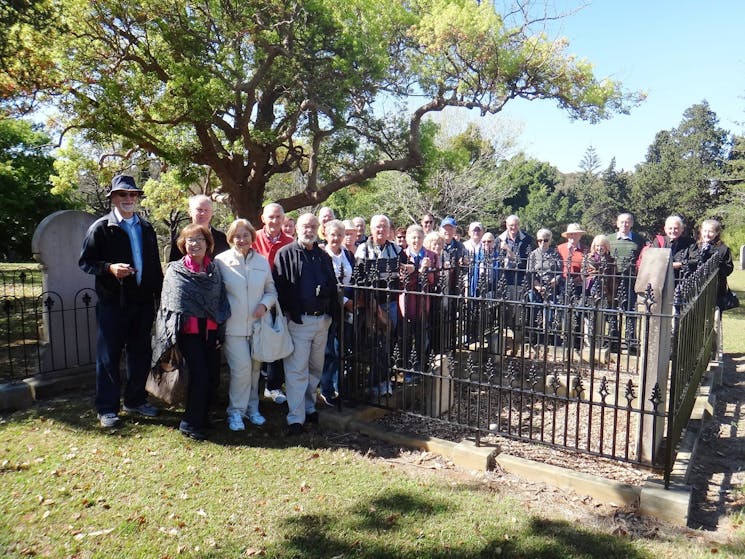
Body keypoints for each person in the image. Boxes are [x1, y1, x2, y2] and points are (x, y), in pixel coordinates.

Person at [79, 175, 163, 428]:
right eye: (122, 195)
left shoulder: (146, 228)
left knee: (140, 354)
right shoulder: (101, 227)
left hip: (142, 303)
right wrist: (110, 268)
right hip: (113, 303)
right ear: (113, 198)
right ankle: (107, 408)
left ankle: (135, 400)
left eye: (132, 195)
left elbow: (154, 266)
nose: (128, 199)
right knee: (109, 357)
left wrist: (159, 297)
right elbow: (86, 262)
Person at [152, 224, 230, 440]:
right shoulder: (176, 270)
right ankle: (189, 423)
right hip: (187, 333)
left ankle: (203, 417)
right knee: (199, 376)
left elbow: (219, 303)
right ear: (183, 245)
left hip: (211, 332)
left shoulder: (214, 271)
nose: (194, 244)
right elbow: (173, 303)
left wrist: (218, 334)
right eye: (190, 240)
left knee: (212, 377)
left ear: (208, 244)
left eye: (199, 240)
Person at [273, 213, 337, 435]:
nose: (308, 230)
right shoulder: (285, 254)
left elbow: (333, 284)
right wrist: (288, 314)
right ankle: (296, 418)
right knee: (296, 371)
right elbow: (279, 288)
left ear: (317, 229)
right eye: (304, 226)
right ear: (296, 229)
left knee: (314, 369)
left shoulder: (322, 256)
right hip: (299, 322)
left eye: (312, 226)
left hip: (321, 321)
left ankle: (309, 407)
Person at [215, 219, 277, 432]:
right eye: (237, 236)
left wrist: (264, 305)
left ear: (252, 237)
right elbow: (216, 295)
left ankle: (253, 409)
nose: (241, 240)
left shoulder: (261, 262)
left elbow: (271, 291)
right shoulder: (220, 261)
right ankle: (236, 413)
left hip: (258, 326)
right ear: (231, 238)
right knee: (241, 370)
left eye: (245, 235)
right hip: (233, 328)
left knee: (254, 371)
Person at [354, 214, 407, 396]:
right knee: (374, 345)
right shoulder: (363, 249)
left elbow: (410, 264)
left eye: (384, 226)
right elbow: (358, 278)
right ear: (371, 229)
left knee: (387, 343)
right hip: (372, 304)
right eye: (377, 226)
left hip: (391, 302)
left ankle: (382, 382)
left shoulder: (395, 249)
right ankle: (377, 383)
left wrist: (411, 268)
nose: (381, 230)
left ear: (389, 229)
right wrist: (372, 303)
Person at [253, 202, 294, 405]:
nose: (274, 221)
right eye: (271, 217)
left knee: (276, 341)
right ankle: (254, 386)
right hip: (254, 300)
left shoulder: (290, 242)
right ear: (263, 218)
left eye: (278, 217)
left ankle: (273, 385)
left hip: (279, 299)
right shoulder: (253, 239)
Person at [320, 219, 355, 406]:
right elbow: (326, 285)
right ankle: (326, 389)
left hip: (347, 308)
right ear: (325, 234)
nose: (336, 238)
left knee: (343, 349)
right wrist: (345, 301)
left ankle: (340, 386)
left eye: (340, 235)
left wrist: (351, 301)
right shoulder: (322, 255)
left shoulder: (347, 254)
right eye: (333, 234)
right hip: (329, 308)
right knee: (329, 351)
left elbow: (353, 279)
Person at [399, 225, 437, 380]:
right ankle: (406, 369)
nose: (416, 240)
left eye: (419, 237)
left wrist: (424, 271)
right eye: (413, 237)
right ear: (408, 239)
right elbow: (402, 280)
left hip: (422, 301)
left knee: (422, 336)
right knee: (406, 337)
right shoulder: (402, 255)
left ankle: (420, 368)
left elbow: (432, 279)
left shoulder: (430, 256)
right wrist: (418, 270)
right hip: (407, 300)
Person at [607, 213, 647, 348]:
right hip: (613, 280)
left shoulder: (639, 240)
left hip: (630, 279)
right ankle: (613, 340)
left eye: (627, 222)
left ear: (631, 224)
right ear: (617, 223)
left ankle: (631, 342)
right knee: (612, 309)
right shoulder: (609, 239)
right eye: (622, 222)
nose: (624, 225)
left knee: (630, 309)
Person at [497, 215, 534, 343]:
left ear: (519, 225)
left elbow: (522, 262)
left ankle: (518, 337)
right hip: (504, 279)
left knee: (519, 309)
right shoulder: (499, 239)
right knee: (505, 308)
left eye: (515, 225)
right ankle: (505, 334)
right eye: (510, 225)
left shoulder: (527, 240)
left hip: (520, 279)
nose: (513, 227)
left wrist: (508, 249)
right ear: (506, 225)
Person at [526, 228, 563, 345]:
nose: (542, 242)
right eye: (540, 240)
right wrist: (538, 286)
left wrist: (554, 280)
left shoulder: (555, 254)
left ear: (550, 240)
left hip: (551, 287)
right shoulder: (533, 255)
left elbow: (560, 271)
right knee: (535, 312)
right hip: (537, 287)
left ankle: (550, 338)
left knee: (550, 314)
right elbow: (529, 273)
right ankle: (536, 338)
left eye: (545, 240)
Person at [168, 194, 229, 262]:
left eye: (206, 210)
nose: (203, 213)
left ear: (212, 213)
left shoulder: (222, 238)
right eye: (199, 209)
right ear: (190, 212)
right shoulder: (181, 238)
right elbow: (173, 266)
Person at [583, 235, 617, 348]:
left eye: (602, 246)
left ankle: (599, 342)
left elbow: (613, 278)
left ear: (607, 247)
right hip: (589, 291)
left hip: (605, 291)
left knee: (601, 316)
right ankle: (588, 342)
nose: (599, 248)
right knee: (589, 316)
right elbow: (585, 274)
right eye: (597, 246)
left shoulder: (611, 260)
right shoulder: (588, 258)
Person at [697, 219, 734, 307]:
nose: (707, 234)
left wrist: (718, 264)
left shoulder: (723, 249)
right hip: (697, 287)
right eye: (705, 231)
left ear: (717, 233)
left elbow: (728, 269)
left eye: (711, 232)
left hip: (716, 289)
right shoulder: (695, 246)